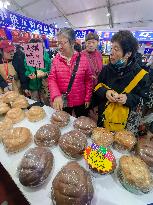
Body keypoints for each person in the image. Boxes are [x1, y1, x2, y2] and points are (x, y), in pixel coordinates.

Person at [94, 30, 150, 134]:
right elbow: (97, 87)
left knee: (120, 149)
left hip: (125, 126)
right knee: (101, 147)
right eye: (111, 48)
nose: (111, 52)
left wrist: (127, 98)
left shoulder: (141, 75)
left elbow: (144, 99)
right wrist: (105, 92)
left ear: (128, 53)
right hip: (104, 120)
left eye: (116, 49)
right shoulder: (107, 69)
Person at [48, 28, 93, 117]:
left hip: (80, 99)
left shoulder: (83, 59)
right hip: (63, 100)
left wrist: (88, 97)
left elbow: (88, 80)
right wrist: (56, 95)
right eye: (58, 43)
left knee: (81, 123)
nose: (60, 46)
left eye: (63, 43)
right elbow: (52, 79)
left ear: (72, 42)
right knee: (64, 123)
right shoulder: (56, 60)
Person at [24, 38, 51, 103]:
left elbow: (51, 71)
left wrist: (44, 74)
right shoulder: (27, 58)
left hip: (44, 85)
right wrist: (28, 74)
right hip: (33, 86)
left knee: (46, 103)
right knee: (35, 103)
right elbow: (26, 70)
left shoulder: (46, 57)